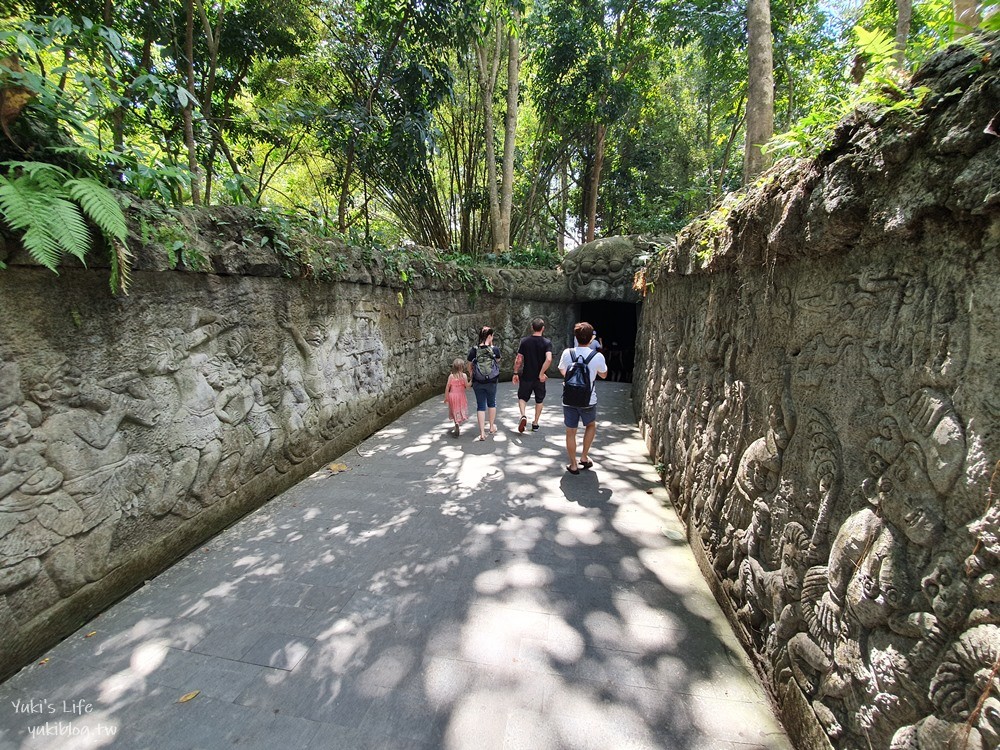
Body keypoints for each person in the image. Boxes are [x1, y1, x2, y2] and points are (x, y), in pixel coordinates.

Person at [559, 322, 608, 474]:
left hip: (569, 398)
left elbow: (562, 370)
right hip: (588, 399)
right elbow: (604, 374)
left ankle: (573, 464)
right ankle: (584, 457)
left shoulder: (568, 353)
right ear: (591, 339)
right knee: (591, 425)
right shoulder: (597, 356)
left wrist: (573, 379)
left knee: (570, 431)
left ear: (576, 337)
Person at [512, 317, 553, 433]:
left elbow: (519, 359)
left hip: (526, 375)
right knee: (539, 400)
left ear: (532, 328)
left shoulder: (525, 341)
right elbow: (549, 359)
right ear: (543, 328)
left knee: (522, 397)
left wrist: (515, 372)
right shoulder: (547, 343)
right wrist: (541, 373)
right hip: (540, 378)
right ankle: (535, 423)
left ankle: (523, 415)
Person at [467, 326, 501, 440]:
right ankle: (491, 427)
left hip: (478, 381)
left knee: (481, 405)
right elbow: (497, 362)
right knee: (492, 403)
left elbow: (469, 365)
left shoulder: (474, 350)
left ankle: (482, 433)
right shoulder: (495, 350)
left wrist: (473, 374)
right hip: (492, 381)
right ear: (490, 336)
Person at [443, 359, 469, 436]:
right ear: (462, 367)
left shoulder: (451, 376)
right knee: (459, 409)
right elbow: (467, 387)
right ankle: (458, 421)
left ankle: (456, 423)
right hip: (461, 395)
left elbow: (447, 387)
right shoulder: (464, 376)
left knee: (454, 409)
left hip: (452, 395)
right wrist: (471, 381)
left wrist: (446, 397)